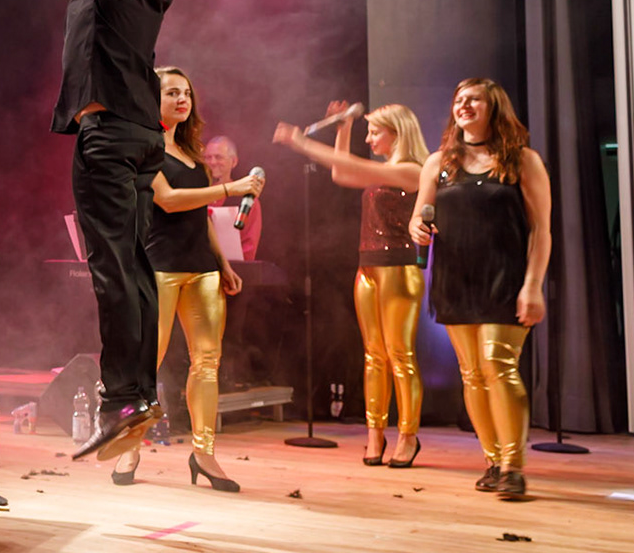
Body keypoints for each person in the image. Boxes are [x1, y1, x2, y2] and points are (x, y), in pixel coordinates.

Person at [26, 0, 176, 463]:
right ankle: (140, 395)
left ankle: (123, 400)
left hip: (110, 135)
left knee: (113, 271)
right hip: (143, 135)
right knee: (135, 269)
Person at [113, 68, 259, 489]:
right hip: (159, 267)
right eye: (172, 92)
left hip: (203, 270)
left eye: (187, 93)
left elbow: (201, 216)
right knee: (147, 364)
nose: (182, 99)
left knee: (207, 363)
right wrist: (231, 189)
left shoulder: (192, 151)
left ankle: (204, 453)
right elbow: (170, 200)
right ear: (151, 98)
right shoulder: (142, 147)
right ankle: (130, 446)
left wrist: (223, 262)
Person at [410, 78, 552, 500]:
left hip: (504, 278)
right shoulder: (438, 163)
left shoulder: (522, 160)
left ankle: (513, 466)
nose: (464, 105)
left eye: (474, 99)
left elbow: (541, 230)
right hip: (455, 278)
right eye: (458, 100)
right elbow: (419, 216)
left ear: (495, 108)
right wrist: (417, 227)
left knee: (498, 364)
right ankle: (493, 461)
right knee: (472, 374)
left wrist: (533, 285)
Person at [275, 101, 431, 466]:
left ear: (398, 133)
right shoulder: (384, 170)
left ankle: (408, 435)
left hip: (398, 269)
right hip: (368, 268)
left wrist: (301, 142)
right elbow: (342, 174)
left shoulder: (412, 170)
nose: (369, 138)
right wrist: (343, 131)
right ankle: (375, 433)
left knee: (400, 356)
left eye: (375, 132)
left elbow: (352, 167)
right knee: (373, 355)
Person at [201, 135, 261, 261]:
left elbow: (248, 245)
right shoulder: (197, 194)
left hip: (231, 267)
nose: (212, 162)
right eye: (207, 157)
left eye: (218, 157)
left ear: (233, 162)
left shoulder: (245, 200)